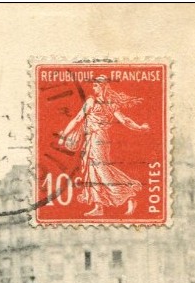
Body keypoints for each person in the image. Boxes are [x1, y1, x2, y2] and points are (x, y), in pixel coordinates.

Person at [58, 75, 150, 217]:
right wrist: (139, 127)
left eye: (96, 86)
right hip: (93, 139)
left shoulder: (94, 101)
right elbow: (124, 120)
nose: (93, 88)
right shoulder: (107, 103)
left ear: (102, 86)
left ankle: (128, 194)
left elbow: (78, 119)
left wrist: (64, 136)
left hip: (97, 139)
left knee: (101, 170)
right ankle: (99, 206)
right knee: (93, 171)